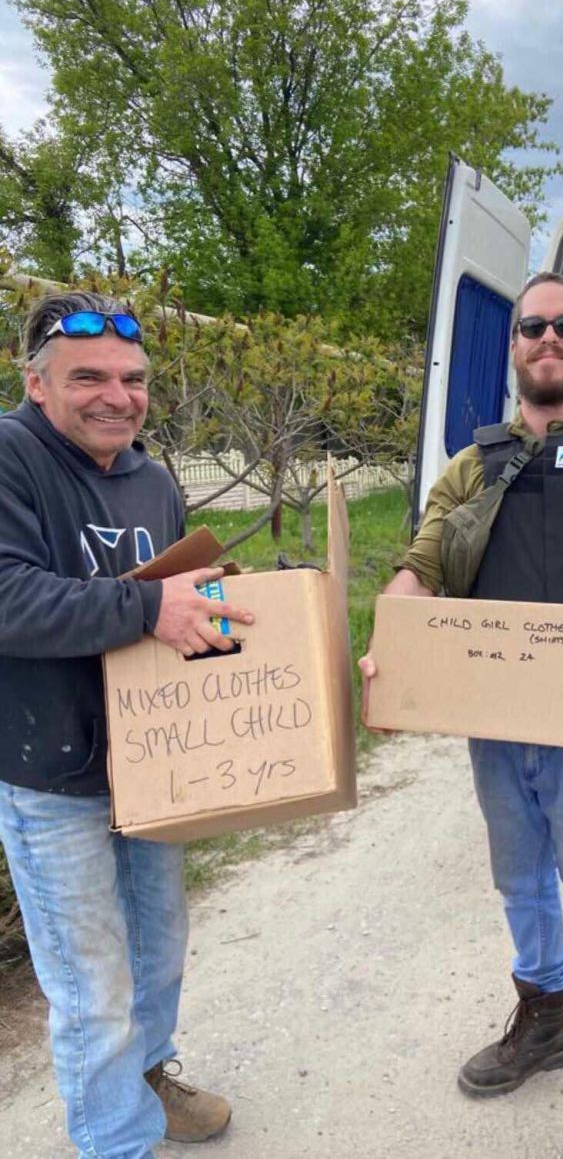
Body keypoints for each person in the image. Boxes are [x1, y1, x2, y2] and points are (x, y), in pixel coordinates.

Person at [361, 272, 563, 1158]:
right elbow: (421, 571)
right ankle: (543, 1020)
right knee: (520, 882)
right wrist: (388, 658)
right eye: (532, 326)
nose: (549, 339)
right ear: (513, 346)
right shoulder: (473, 465)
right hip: (496, 724)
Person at [0, 291, 254, 1158]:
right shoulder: (10, 456)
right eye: (89, 378)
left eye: (134, 378)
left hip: (154, 760)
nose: (118, 396)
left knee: (157, 950)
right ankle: (118, 1143)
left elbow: (180, 595)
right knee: (92, 987)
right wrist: (149, 609)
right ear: (37, 383)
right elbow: (9, 598)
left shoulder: (150, 478)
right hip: (50, 773)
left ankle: (147, 1078)